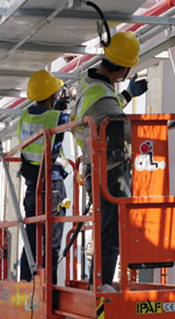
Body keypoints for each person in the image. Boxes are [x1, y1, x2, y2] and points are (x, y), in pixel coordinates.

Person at [73, 31, 148, 288]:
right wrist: (163, 130)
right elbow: (123, 128)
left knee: (107, 228)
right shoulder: (102, 96)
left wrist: (127, 96)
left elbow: (107, 109)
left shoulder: (90, 83)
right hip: (110, 170)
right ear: (124, 68)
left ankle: (100, 281)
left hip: (97, 167)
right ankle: (102, 284)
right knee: (112, 230)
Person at [17, 69, 71, 284]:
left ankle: (26, 283)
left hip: (32, 187)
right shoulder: (56, 117)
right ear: (52, 96)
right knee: (52, 242)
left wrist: (56, 108)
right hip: (53, 187)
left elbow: (42, 121)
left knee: (31, 242)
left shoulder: (24, 116)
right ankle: (49, 290)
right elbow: (79, 120)